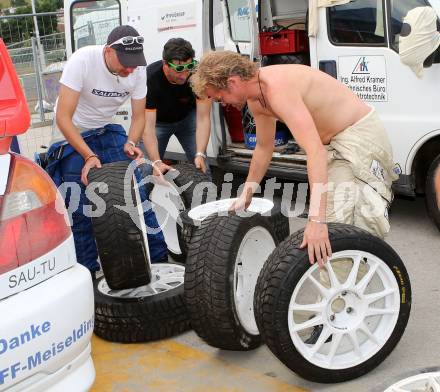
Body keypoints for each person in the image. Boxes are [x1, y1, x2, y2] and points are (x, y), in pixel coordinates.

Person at [191, 51, 398, 265]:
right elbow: (263, 147)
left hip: (358, 135)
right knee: (337, 223)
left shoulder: (277, 89)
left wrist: (316, 220)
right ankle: (346, 281)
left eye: (219, 97)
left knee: (340, 223)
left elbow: (314, 151)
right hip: (331, 144)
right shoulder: (256, 99)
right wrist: (248, 191)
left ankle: (358, 284)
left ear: (232, 82)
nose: (222, 103)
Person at [46, 25, 168, 274]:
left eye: (134, 63)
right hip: (73, 131)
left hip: (106, 129)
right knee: (79, 206)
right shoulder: (83, 60)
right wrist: (88, 155)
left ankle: (160, 262)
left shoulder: (137, 69)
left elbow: (138, 117)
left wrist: (132, 142)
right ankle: (87, 273)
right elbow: (63, 117)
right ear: (108, 51)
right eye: (125, 62)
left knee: (137, 196)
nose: (130, 69)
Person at [141, 38, 212, 176]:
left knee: (203, 166)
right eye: (179, 69)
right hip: (158, 124)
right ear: (165, 65)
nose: (185, 74)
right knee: (148, 169)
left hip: (187, 120)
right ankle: (145, 197)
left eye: (189, 67)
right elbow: (147, 127)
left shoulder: (199, 75)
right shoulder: (149, 79)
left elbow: (203, 118)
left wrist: (200, 153)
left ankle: (209, 196)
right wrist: (156, 161)